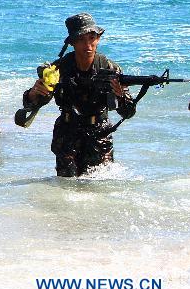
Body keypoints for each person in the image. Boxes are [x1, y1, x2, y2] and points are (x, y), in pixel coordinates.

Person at [22, 13, 135, 177]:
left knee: (99, 191)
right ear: (73, 42)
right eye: (81, 39)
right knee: (67, 190)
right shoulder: (58, 69)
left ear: (98, 39)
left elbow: (128, 112)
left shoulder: (110, 69)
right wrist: (34, 93)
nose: (88, 44)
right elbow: (33, 103)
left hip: (99, 136)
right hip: (67, 135)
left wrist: (121, 96)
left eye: (92, 38)